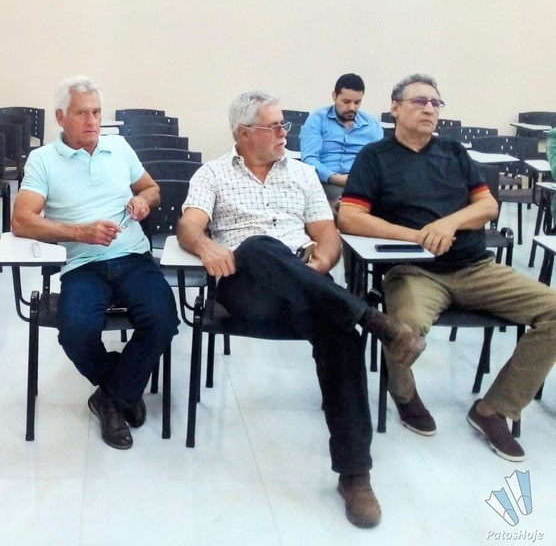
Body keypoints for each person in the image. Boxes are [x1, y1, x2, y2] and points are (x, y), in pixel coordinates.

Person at [176, 90, 425, 529]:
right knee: (258, 246)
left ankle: (355, 474)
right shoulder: (212, 173)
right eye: (273, 126)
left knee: (341, 337)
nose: (283, 133)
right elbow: (189, 226)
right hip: (246, 289)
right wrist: (205, 245)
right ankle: (371, 318)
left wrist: (323, 261)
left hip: (307, 284)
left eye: (283, 125)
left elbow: (327, 234)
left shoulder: (304, 173)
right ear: (243, 133)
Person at [338, 73, 556, 463]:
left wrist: (449, 224)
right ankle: (404, 395)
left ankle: (494, 410)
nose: (429, 109)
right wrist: (417, 236)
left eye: (435, 103)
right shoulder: (375, 157)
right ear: (395, 107)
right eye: (419, 101)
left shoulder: (454, 153)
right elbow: (350, 217)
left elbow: (488, 206)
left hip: (475, 267)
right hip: (414, 271)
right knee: (404, 328)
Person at [11, 76, 180, 450]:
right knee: (75, 330)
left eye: (97, 112)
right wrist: (79, 232)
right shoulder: (43, 159)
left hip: (133, 257)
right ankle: (122, 388)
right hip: (82, 263)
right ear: (61, 117)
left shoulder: (118, 147)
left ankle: (110, 398)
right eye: (82, 113)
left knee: (164, 320)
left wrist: (143, 201)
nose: (92, 121)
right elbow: (21, 221)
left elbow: (151, 188)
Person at [300, 73, 383, 202]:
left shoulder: (372, 125)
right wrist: (334, 178)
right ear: (334, 96)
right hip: (324, 183)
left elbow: (380, 162)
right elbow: (309, 159)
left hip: (361, 184)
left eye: (357, 102)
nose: (352, 107)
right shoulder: (317, 119)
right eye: (346, 102)